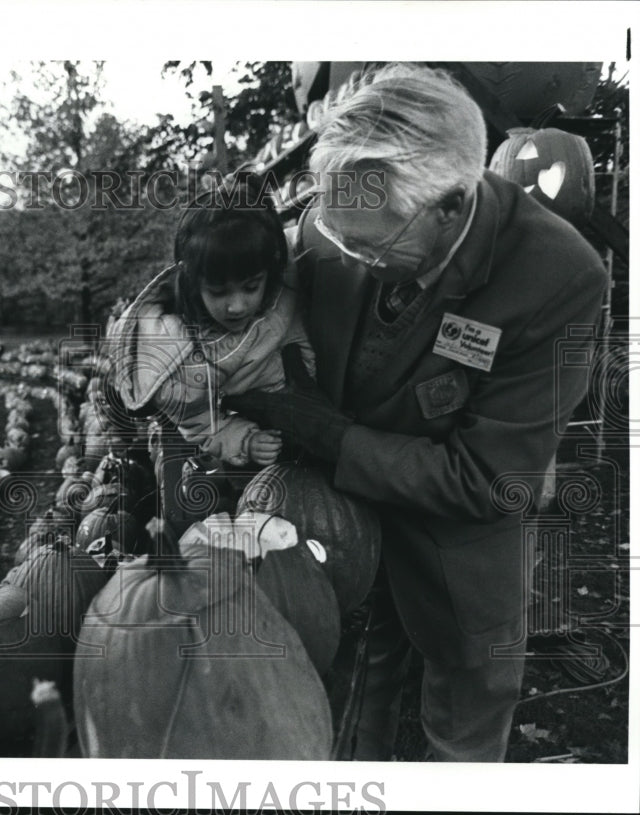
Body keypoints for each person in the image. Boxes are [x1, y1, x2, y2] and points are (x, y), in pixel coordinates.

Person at [223, 63, 608, 762]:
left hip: (458, 551)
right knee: (346, 714)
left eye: (372, 245)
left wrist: (339, 439)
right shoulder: (334, 224)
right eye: (339, 240)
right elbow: (244, 295)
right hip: (336, 536)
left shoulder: (559, 279)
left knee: (461, 731)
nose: (351, 258)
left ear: (451, 208)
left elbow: (492, 479)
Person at [107, 175, 316, 474]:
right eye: (218, 292)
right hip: (260, 437)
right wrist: (245, 439)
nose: (237, 305)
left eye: (250, 286)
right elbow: (201, 424)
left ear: (269, 269)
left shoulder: (284, 274)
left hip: (310, 406)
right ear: (193, 281)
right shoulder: (177, 359)